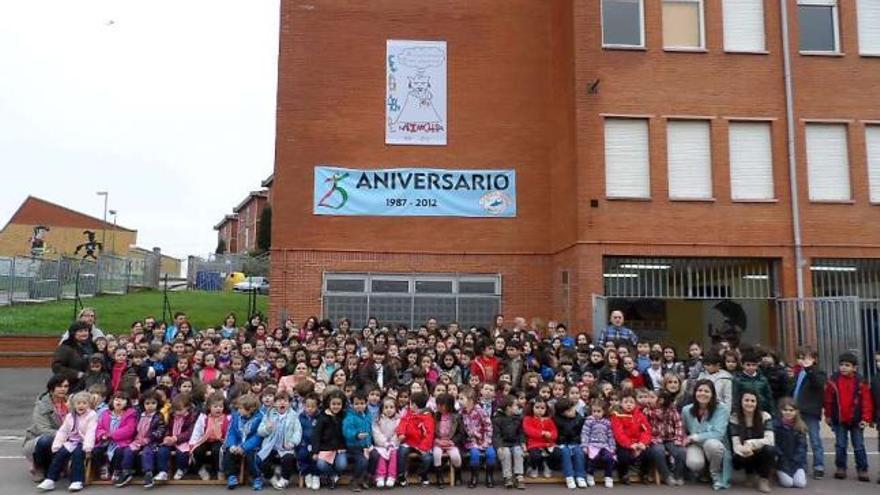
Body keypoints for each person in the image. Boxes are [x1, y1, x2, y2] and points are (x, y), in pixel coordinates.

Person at [823, 352, 873, 482]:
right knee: (840, 445)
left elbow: (866, 402)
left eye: (847, 365)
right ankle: (841, 468)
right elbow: (828, 400)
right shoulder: (833, 380)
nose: (843, 367)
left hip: (856, 420)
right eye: (841, 365)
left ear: (854, 368)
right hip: (839, 420)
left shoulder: (861, 382)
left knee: (859, 446)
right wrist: (828, 415)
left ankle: (862, 469)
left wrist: (865, 419)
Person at [36, 391, 97, 492]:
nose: (81, 406)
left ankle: (77, 480)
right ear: (74, 405)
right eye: (78, 403)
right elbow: (63, 431)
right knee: (60, 454)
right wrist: (57, 445)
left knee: (78, 455)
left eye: (84, 403)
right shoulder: (70, 416)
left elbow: (91, 431)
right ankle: (50, 479)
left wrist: (88, 447)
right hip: (72, 441)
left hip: (84, 442)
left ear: (89, 405)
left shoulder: (92, 415)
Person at [681, 379, 732, 490]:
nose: (702, 393)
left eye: (706, 391)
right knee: (694, 463)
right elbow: (683, 430)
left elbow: (719, 433)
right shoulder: (686, 410)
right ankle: (703, 471)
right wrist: (684, 439)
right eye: (699, 390)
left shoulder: (721, 409)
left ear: (712, 394)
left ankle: (716, 475)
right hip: (695, 445)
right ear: (695, 393)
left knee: (712, 444)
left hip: (715, 443)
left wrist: (695, 437)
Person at [611, 392, 667, 485]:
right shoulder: (616, 415)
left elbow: (646, 430)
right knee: (623, 455)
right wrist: (630, 445)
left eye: (631, 402)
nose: (629, 404)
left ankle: (644, 473)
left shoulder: (640, 415)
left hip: (638, 443)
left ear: (635, 404)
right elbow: (619, 433)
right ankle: (623, 474)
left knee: (649, 453)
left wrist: (642, 443)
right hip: (624, 443)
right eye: (626, 402)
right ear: (621, 403)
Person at [24, 374, 70, 483]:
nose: (63, 389)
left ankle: (59, 465)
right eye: (59, 386)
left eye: (66, 386)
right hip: (40, 438)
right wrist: (65, 435)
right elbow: (43, 429)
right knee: (46, 439)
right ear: (51, 388)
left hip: (65, 438)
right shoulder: (42, 405)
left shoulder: (71, 402)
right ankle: (39, 467)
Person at [791, 347, 826, 479]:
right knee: (800, 440)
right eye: (800, 357)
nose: (802, 360)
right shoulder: (798, 373)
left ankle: (818, 466)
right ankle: (802, 465)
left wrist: (809, 369)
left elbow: (817, 383)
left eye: (806, 358)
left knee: (815, 440)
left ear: (814, 360)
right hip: (797, 410)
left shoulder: (818, 372)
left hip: (810, 411)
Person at [730, 391, 776, 493]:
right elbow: (735, 444)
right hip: (743, 453)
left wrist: (750, 444)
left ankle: (764, 479)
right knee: (739, 456)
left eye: (753, 401)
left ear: (757, 403)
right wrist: (744, 449)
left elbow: (770, 440)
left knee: (770, 449)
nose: (749, 403)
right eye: (746, 400)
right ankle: (749, 474)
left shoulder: (765, 416)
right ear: (741, 402)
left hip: (760, 452)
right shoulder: (735, 417)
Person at [119, 390, 166, 488]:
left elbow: (161, 430)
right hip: (137, 440)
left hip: (151, 441)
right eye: (147, 403)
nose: (150, 406)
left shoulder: (158, 416)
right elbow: (133, 427)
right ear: (143, 404)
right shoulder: (139, 415)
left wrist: (151, 437)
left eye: (153, 403)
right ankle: (126, 472)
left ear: (158, 404)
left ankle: (148, 473)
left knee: (147, 452)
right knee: (128, 450)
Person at [258, 390, 303, 490]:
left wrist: (292, 443)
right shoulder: (269, 414)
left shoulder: (294, 416)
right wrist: (267, 428)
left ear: (289, 403)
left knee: (288, 458)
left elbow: (297, 432)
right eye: (279, 401)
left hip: (285, 446)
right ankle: (271, 477)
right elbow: (260, 431)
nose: (282, 403)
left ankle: (285, 479)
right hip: (271, 446)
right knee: (262, 461)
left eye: (285, 401)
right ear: (274, 403)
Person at [93, 391, 137, 484]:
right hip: (106, 441)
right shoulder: (105, 413)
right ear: (112, 401)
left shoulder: (130, 414)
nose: (119, 401)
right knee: (97, 451)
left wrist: (111, 435)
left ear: (127, 403)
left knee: (119, 452)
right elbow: (99, 427)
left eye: (122, 400)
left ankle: (117, 470)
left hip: (122, 442)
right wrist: (102, 434)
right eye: (116, 399)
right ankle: (103, 467)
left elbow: (129, 430)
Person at [224, 393, 265, 490]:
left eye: (241, 408)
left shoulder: (261, 417)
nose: (238, 410)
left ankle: (257, 478)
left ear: (250, 409)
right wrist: (232, 445)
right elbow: (232, 432)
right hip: (238, 443)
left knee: (252, 455)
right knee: (228, 451)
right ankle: (231, 476)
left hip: (253, 445)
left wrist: (244, 447)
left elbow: (258, 436)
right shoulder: (236, 416)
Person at [645, 391, 686, 486]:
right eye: (648, 397)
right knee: (658, 451)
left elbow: (679, 425)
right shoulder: (646, 411)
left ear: (661, 400)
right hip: (655, 440)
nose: (648, 399)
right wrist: (651, 439)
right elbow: (644, 429)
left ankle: (678, 475)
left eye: (652, 397)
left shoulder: (671, 410)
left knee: (681, 451)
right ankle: (666, 475)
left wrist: (678, 439)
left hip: (670, 438)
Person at [396, 391, 435, 486]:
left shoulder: (427, 417)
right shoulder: (409, 414)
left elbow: (429, 434)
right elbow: (402, 423)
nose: (409, 405)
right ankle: (401, 474)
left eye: (410, 403)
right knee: (401, 452)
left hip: (421, 444)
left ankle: (422, 474)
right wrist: (401, 433)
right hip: (408, 441)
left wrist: (423, 448)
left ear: (414, 404)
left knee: (427, 458)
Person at [189, 392, 229, 483]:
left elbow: (228, 433)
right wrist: (193, 444)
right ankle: (201, 469)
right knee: (198, 450)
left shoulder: (227, 418)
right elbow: (197, 431)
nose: (218, 409)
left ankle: (220, 470)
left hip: (220, 440)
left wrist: (227, 443)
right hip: (205, 439)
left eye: (220, 406)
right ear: (209, 407)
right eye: (215, 406)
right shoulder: (203, 417)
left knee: (217, 450)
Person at [460, 389, 495, 488]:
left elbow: (488, 426)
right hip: (471, 441)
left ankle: (489, 477)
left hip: (485, 439)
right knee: (475, 454)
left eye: (462, 399)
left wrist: (486, 441)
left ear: (470, 400)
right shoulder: (461, 413)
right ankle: (474, 477)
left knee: (491, 453)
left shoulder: (480, 411)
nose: (459, 401)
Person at [313, 389, 348, 489]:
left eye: (338, 404)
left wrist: (335, 419)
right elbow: (316, 435)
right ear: (329, 403)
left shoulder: (344, 416)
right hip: (326, 448)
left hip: (340, 448)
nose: (336, 406)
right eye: (333, 404)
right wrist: (315, 451)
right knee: (321, 464)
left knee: (342, 465)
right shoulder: (323, 417)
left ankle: (335, 475)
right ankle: (332, 475)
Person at [581, 398, 616, 488]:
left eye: (598, 411)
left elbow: (610, 436)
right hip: (592, 445)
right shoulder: (589, 421)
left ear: (603, 412)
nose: (596, 413)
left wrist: (612, 447)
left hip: (604, 445)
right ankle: (590, 474)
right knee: (593, 458)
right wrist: (584, 446)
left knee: (609, 458)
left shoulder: (607, 423)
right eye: (594, 411)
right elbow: (585, 434)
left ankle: (608, 477)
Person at [553, 397, 586, 489]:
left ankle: (580, 476)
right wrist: (560, 441)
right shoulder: (556, 419)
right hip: (561, 443)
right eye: (569, 410)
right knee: (565, 452)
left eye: (573, 408)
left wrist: (577, 440)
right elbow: (556, 434)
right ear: (562, 413)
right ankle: (569, 476)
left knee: (579, 452)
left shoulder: (579, 418)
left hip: (575, 442)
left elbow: (582, 433)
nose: (572, 411)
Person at [774, 398, 808, 489]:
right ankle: (777, 473)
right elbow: (775, 445)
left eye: (791, 410)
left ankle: (798, 472)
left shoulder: (800, 426)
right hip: (782, 462)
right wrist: (782, 460)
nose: (788, 412)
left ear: (796, 411)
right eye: (785, 410)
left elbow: (802, 447)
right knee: (788, 483)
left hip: (797, 463)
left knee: (800, 484)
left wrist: (796, 461)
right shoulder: (776, 426)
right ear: (781, 411)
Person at [52, 322, 96, 390]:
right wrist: (77, 374)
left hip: (92, 384)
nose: (84, 333)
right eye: (80, 331)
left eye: (86, 330)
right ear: (73, 333)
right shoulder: (66, 347)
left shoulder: (93, 345)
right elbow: (56, 367)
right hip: (72, 385)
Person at [343, 391, 373, 492]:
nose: (359, 406)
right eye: (356, 404)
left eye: (362, 403)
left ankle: (364, 478)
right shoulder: (349, 417)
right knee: (362, 461)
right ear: (352, 405)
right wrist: (356, 435)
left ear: (366, 403)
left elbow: (370, 430)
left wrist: (370, 443)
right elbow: (346, 431)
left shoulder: (368, 415)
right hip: (354, 446)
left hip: (366, 445)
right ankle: (354, 480)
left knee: (375, 457)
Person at [523, 397, 557, 480]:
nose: (540, 410)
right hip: (534, 444)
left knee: (557, 453)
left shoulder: (548, 420)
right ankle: (534, 467)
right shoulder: (528, 419)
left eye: (542, 408)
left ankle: (548, 466)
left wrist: (550, 435)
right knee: (535, 455)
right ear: (532, 408)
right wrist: (542, 433)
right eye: (537, 407)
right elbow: (529, 431)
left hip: (548, 444)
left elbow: (554, 432)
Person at [733, 349, 775, 414]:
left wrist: (771, 412)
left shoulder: (763, 379)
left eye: (753, 365)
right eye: (748, 365)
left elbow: (769, 398)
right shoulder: (738, 380)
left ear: (757, 365)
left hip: (762, 410)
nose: (751, 367)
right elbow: (735, 398)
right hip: (744, 411)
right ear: (742, 365)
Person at [371, 397, 401, 489]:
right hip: (381, 445)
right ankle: (380, 476)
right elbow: (376, 433)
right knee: (381, 455)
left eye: (391, 407)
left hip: (393, 444)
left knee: (393, 453)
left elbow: (398, 432)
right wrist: (385, 443)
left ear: (395, 408)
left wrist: (392, 443)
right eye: (386, 407)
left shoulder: (398, 420)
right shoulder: (378, 420)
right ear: (382, 409)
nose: (389, 410)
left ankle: (391, 476)